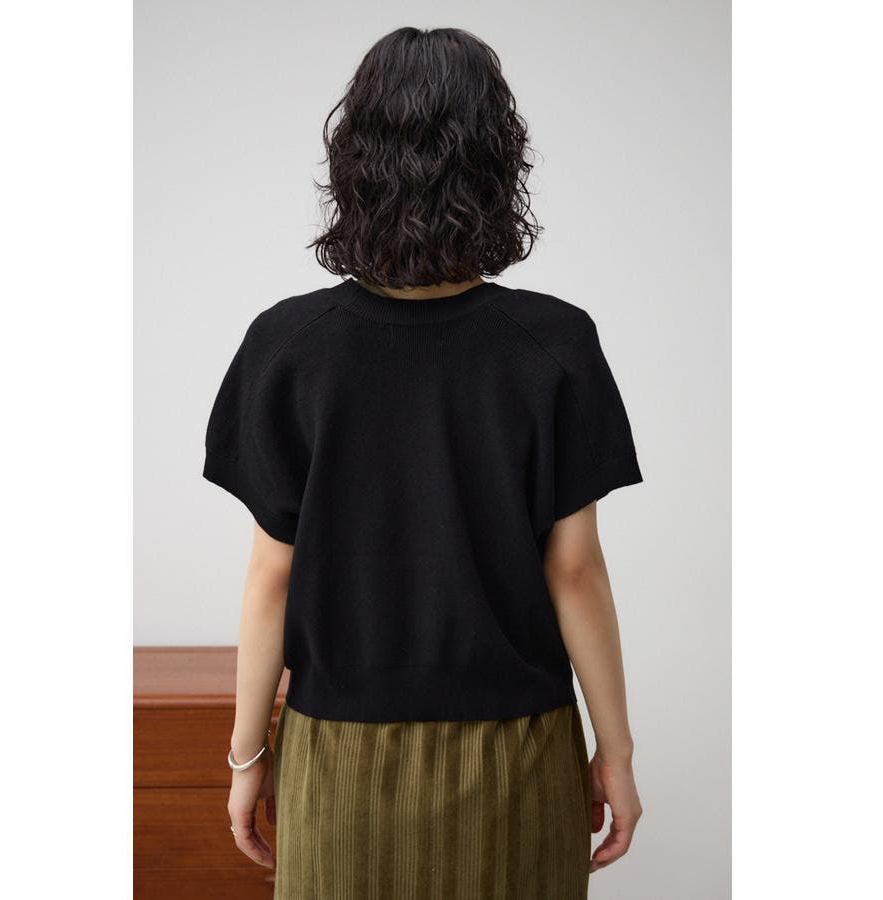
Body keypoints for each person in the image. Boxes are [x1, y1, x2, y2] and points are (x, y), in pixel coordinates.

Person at [203, 25, 644, 899]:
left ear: (355, 165)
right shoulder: (554, 344)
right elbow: (574, 571)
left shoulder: (288, 346)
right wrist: (616, 753)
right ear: (497, 167)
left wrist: (247, 757)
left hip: (340, 760)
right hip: (518, 757)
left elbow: (271, 577)